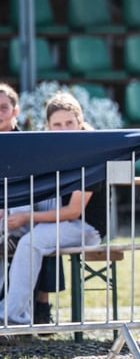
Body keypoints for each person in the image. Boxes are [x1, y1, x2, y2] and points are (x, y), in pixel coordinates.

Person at [0, 92, 106, 325]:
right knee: (10, 230)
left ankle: (12, 316)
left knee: (31, 242)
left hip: (85, 226)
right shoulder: (50, 151)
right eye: (57, 124)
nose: (64, 129)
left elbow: (73, 211)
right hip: (51, 219)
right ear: (48, 126)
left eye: (69, 123)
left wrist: (26, 217)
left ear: (80, 121)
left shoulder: (91, 153)